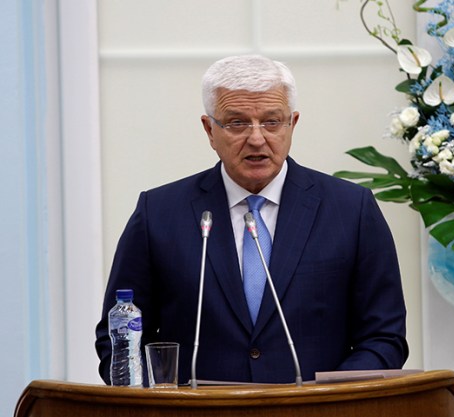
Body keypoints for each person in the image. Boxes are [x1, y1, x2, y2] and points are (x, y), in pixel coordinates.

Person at [95, 54, 408, 385]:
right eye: (237, 123)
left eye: (272, 122)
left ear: (293, 124)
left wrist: (328, 401)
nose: (257, 138)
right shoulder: (158, 213)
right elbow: (118, 341)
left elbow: (384, 338)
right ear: (209, 130)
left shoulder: (351, 210)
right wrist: (164, 402)